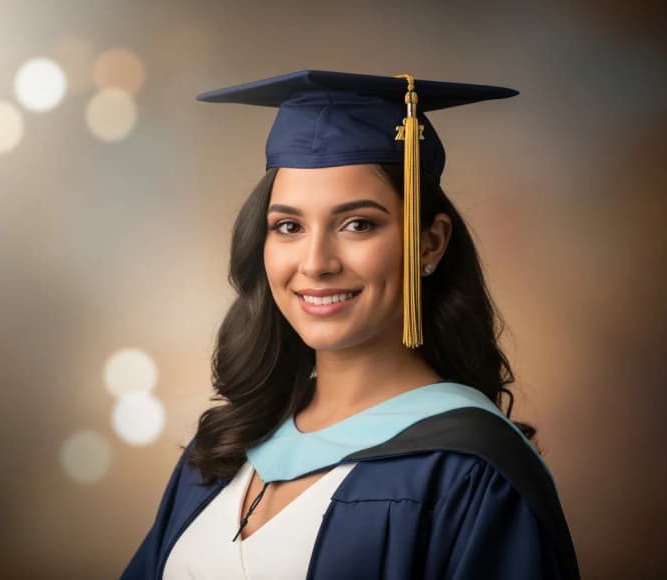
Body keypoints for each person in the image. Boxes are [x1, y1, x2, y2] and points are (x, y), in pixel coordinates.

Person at [120, 70, 580, 579]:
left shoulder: (468, 474)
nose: (316, 262)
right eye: (288, 226)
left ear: (430, 243)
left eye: (357, 224)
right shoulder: (221, 453)